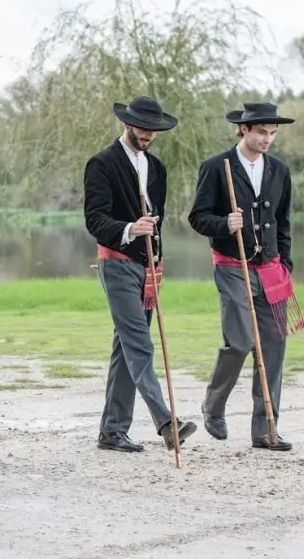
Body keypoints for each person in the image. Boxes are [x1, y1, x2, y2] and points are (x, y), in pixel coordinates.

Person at [188, 102, 304, 451]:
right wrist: (225, 223)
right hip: (231, 266)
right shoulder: (216, 167)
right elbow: (197, 217)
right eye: (261, 132)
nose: (267, 139)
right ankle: (213, 406)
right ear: (243, 130)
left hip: (271, 269)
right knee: (239, 342)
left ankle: (266, 429)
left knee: (273, 348)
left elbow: (283, 223)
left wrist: (285, 263)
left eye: (272, 133)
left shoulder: (279, 170)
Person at [84, 96, 198, 453]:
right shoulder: (102, 163)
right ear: (127, 124)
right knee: (139, 344)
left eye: (154, 130)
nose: (148, 135)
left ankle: (112, 431)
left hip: (148, 268)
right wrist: (131, 229)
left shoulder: (157, 168)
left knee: (126, 348)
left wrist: (156, 258)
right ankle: (166, 423)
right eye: (143, 128)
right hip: (116, 261)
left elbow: (158, 220)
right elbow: (95, 220)